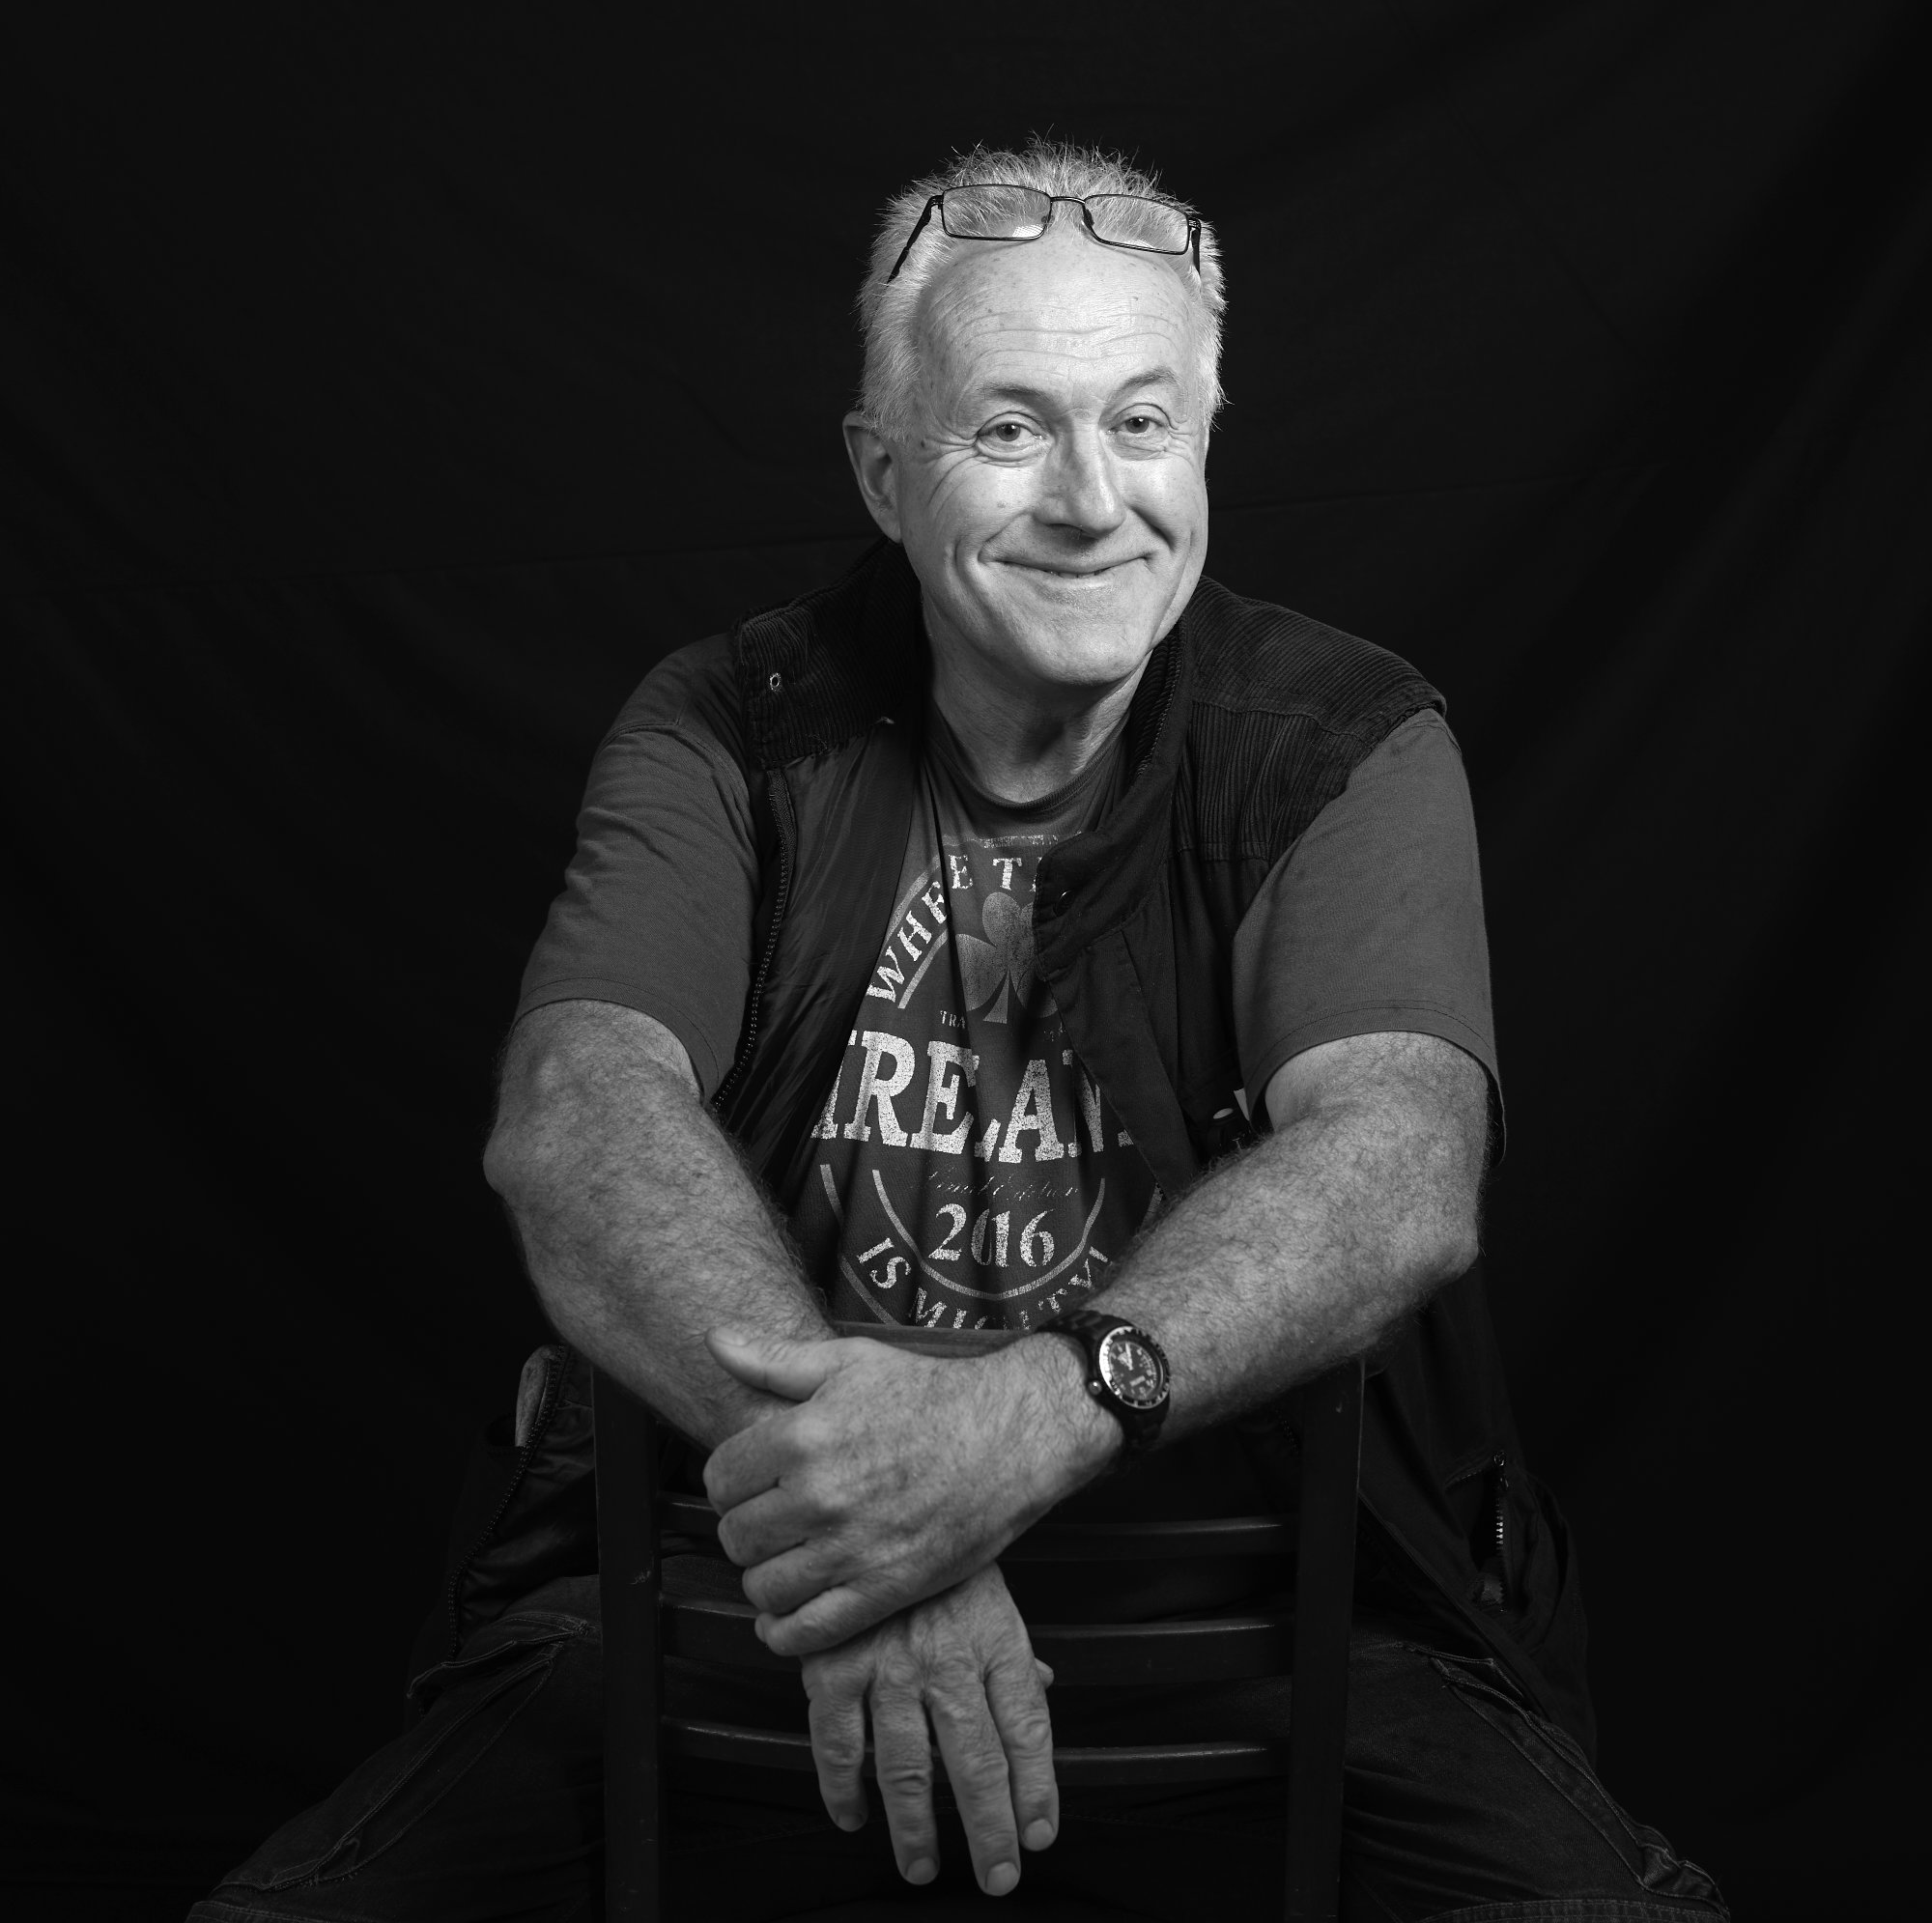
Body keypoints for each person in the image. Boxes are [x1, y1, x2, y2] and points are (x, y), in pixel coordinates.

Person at [191, 139, 1728, 1923]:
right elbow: (576, 1114)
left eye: (1143, 424)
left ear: (1204, 445)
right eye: (1010, 428)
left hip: (1291, 1614)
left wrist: (1025, 1426)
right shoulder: (730, 726)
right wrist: (875, 1526)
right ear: (882, 468)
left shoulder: (1336, 737)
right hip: (732, 1586)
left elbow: (1399, 1166)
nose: (1091, 498)